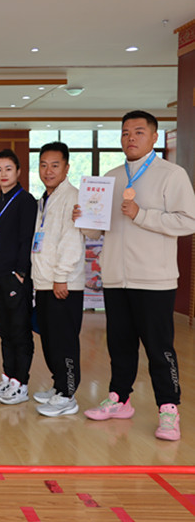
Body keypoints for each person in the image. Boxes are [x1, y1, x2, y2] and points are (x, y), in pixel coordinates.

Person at [77, 110, 195, 440]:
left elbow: (189, 221)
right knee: (120, 345)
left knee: (159, 348)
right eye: (126, 132)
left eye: (139, 132)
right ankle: (119, 398)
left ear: (154, 137)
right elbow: (96, 231)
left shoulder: (171, 174)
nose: (131, 138)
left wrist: (142, 214)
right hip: (116, 278)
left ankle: (169, 409)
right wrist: (84, 219)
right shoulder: (110, 177)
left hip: (154, 279)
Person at [30, 142, 85, 417]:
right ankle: (58, 385)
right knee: (50, 340)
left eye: (55, 165)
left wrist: (61, 277)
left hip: (63, 284)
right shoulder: (44, 199)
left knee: (64, 341)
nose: (48, 171)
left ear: (66, 168)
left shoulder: (73, 197)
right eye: (43, 165)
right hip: (44, 282)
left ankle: (68, 394)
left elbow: (71, 241)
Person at [0, 149, 37, 405]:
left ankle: (21, 383)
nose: (3, 174)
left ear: (18, 171)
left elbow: (27, 239)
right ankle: (8, 376)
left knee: (19, 331)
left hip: (14, 277)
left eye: (8, 169)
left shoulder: (26, 201)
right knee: (4, 331)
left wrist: (20, 273)